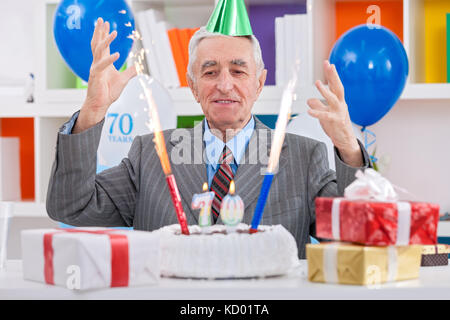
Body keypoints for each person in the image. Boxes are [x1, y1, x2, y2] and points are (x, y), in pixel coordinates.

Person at [46, 18, 371, 258]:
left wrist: (348, 147)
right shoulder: (150, 154)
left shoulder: (304, 156)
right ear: (193, 85)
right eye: (210, 71)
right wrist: (92, 111)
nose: (224, 85)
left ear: (259, 83)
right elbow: (71, 206)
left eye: (238, 71)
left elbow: (353, 236)